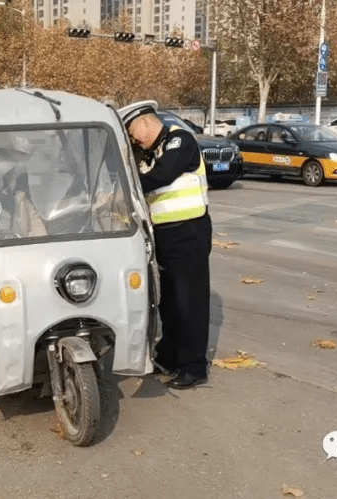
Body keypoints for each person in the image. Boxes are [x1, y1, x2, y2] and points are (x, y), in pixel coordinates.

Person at [117, 100, 212, 390]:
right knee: (169, 301)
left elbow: (162, 175)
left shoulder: (179, 140)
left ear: (145, 122)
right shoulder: (148, 154)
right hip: (166, 235)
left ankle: (194, 367)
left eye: (133, 133)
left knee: (190, 301)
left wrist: (123, 186)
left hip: (190, 231)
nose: (135, 139)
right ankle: (169, 357)